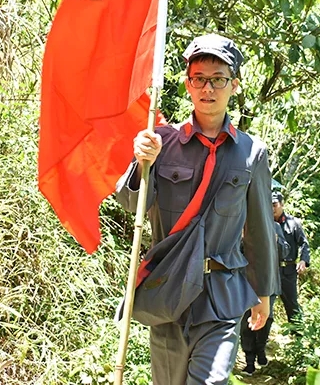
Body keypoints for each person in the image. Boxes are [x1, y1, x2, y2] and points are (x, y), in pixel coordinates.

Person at [115, 34, 279, 385]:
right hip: (169, 288)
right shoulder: (160, 141)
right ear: (188, 84)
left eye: (218, 79)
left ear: (234, 85)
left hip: (222, 293)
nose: (208, 88)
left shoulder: (252, 153)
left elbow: (260, 229)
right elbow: (130, 205)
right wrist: (142, 163)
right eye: (199, 78)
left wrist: (263, 292)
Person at [239, 194, 290, 375]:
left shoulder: (275, 227)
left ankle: (261, 349)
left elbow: (285, 252)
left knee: (265, 319)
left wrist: (274, 241)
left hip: (268, 283)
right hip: (245, 282)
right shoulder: (241, 226)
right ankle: (249, 360)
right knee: (246, 322)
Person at [272, 191, 310, 322]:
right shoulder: (265, 223)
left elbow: (304, 243)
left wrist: (303, 260)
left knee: (292, 305)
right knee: (264, 305)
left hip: (288, 271)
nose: (272, 208)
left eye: (274, 205)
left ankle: (297, 331)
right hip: (269, 270)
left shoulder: (293, 223)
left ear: (282, 204)